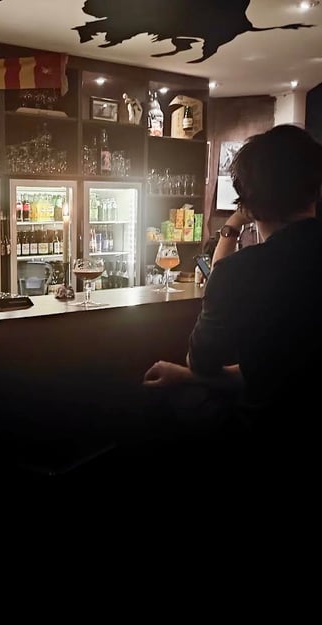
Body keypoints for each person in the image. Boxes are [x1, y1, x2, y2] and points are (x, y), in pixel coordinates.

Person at [142, 124, 322, 503]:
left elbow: (204, 364)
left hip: (266, 432)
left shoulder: (243, 270)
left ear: (247, 201)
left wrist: (183, 374)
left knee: (165, 392)